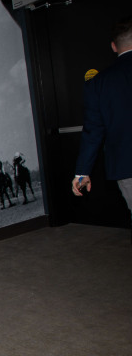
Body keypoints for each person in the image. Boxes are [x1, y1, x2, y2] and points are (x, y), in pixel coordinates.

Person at [72, 16, 132, 236]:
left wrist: (82, 172)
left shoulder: (98, 84)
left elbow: (93, 132)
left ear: (114, 46)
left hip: (127, 166)